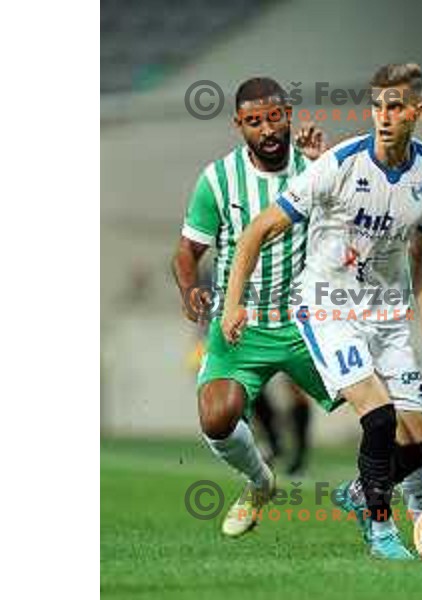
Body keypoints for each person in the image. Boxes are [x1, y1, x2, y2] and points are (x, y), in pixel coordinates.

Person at [222, 63, 422, 560]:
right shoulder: (339, 163)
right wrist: (233, 303)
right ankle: (380, 529)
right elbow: (255, 231)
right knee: (378, 419)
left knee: (420, 446)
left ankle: (359, 493)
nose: (384, 117)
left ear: (419, 111)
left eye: (395, 107)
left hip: (388, 316)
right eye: (377, 106)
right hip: (327, 307)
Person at [172, 77, 343, 538]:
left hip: (305, 321)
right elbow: (188, 252)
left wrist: (321, 161)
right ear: (238, 125)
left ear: (287, 115)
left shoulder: (314, 168)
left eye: (273, 117)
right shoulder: (217, 180)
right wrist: (191, 292)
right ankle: (260, 481)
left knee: (378, 403)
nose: (265, 129)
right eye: (253, 121)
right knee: (216, 416)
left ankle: (407, 508)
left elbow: (349, 217)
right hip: (239, 323)